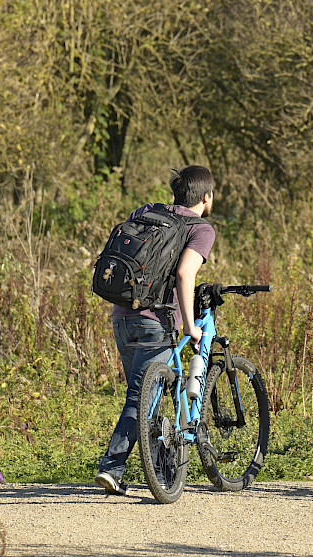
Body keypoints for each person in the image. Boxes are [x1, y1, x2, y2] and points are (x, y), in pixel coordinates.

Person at [95, 165, 216, 496]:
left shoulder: (147, 212)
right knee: (141, 397)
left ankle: (162, 469)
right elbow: (184, 274)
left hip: (122, 314)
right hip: (155, 321)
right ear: (206, 197)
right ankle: (112, 468)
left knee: (145, 396)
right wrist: (191, 326)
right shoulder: (201, 228)